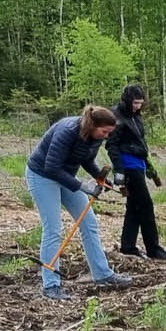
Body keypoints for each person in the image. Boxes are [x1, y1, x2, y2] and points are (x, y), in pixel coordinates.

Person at [25, 106, 134, 302]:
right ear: (93, 125)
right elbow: (51, 166)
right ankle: (51, 285)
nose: (107, 136)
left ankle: (102, 274)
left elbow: (86, 160)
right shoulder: (67, 131)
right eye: (105, 132)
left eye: (110, 133)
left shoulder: (96, 136)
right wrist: (83, 186)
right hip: (42, 175)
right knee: (53, 229)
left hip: (65, 175)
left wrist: (100, 179)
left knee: (89, 223)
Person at [107, 84, 166, 261]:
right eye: (135, 103)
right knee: (146, 206)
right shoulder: (116, 117)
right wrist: (119, 171)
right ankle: (154, 249)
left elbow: (141, 144)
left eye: (141, 103)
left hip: (139, 165)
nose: (138, 106)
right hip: (128, 167)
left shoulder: (136, 117)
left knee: (134, 208)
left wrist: (150, 168)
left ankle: (128, 246)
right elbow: (111, 146)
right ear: (127, 100)